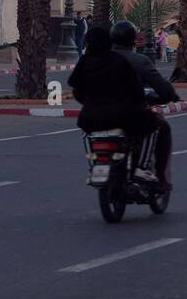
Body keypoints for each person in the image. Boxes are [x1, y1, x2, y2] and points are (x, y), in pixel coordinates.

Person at [71, 20, 179, 190]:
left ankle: (96, 166)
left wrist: (90, 102)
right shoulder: (137, 61)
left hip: (90, 117)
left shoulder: (92, 59)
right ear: (133, 40)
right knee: (157, 126)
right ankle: (142, 167)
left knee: (89, 135)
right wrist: (168, 96)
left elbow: (77, 89)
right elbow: (152, 89)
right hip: (124, 115)